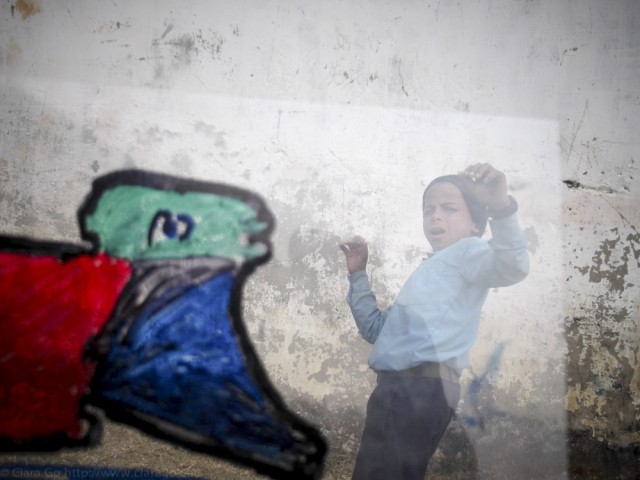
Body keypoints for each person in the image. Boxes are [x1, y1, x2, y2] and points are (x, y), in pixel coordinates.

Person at [339, 163, 529, 480]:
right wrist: (358, 274)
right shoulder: (431, 271)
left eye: (450, 208)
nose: (436, 215)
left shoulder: (469, 252)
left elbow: (513, 265)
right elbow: (375, 330)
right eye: (430, 209)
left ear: (475, 224)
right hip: (399, 390)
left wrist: (500, 207)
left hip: (417, 389)